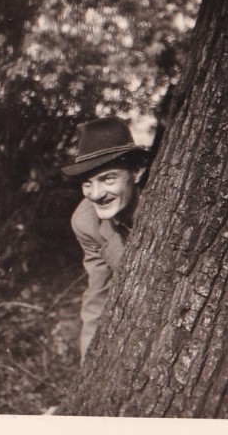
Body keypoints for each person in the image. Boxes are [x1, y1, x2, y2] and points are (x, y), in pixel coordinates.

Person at [62, 117, 151, 362]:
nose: (96, 194)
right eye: (87, 183)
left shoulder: (163, 203)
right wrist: (87, 362)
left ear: (137, 172)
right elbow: (98, 295)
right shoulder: (86, 222)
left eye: (108, 178)